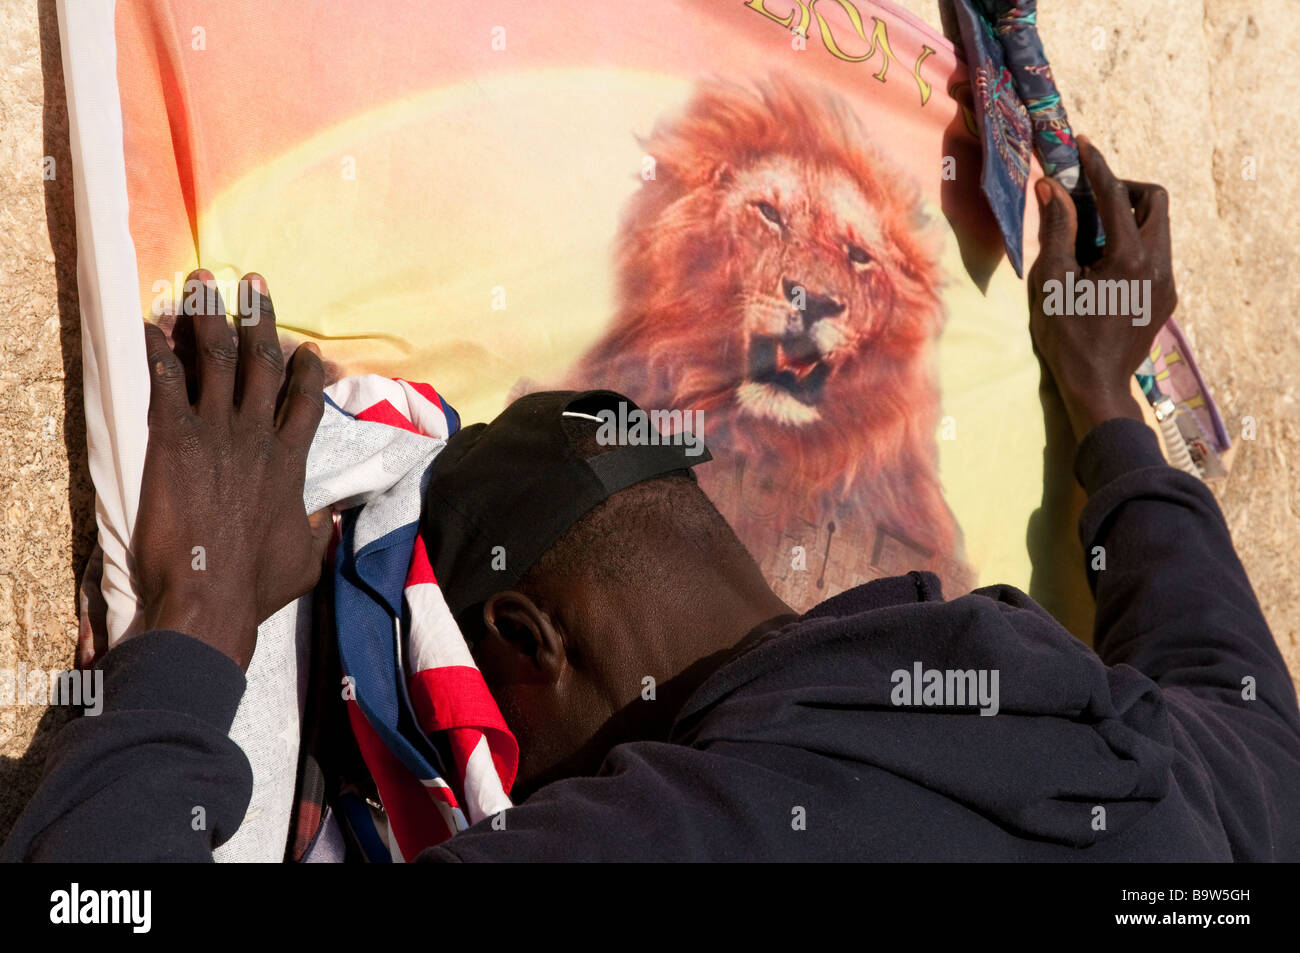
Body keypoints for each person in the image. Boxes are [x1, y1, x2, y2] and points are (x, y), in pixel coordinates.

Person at [4, 142, 1299, 862]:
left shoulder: (673, 830)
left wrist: (194, 617)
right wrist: (1108, 404)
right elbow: (1239, 701)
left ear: (526, 642)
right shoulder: (1123, 736)